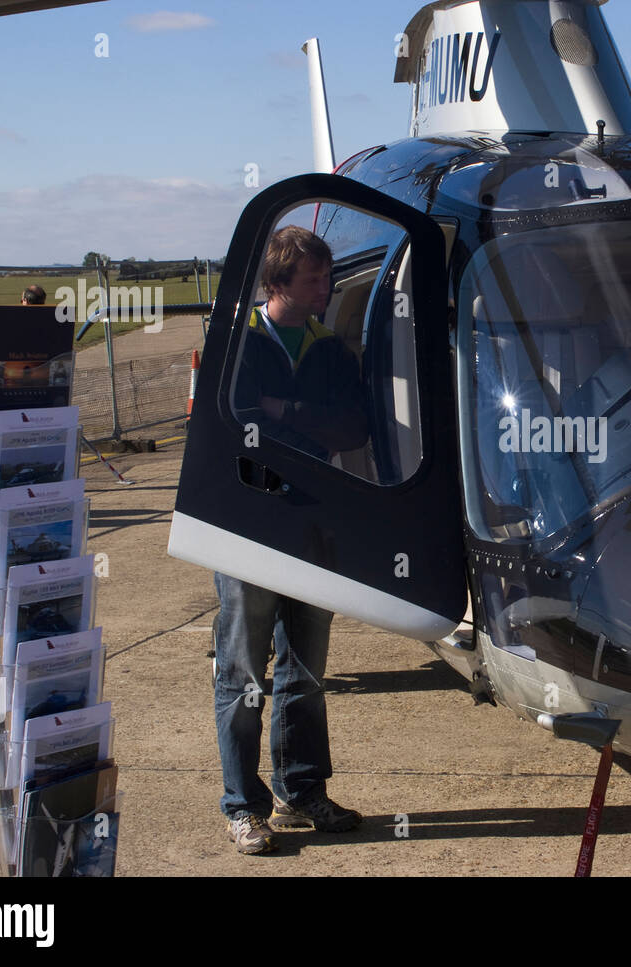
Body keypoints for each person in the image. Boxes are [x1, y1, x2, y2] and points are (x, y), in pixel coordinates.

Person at [214, 225, 368, 853]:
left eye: (327, 278)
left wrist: (285, 412)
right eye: (314, 279)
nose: (326, 288)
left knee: (306, 668)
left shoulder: (329, 347)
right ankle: (243, 806)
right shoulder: (237, 342)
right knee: (244, 669)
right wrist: (289, 419)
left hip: (311, 520)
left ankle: (302, 792)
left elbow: (353, 427)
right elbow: (235, 422)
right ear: (278, 283)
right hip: (248, 523)